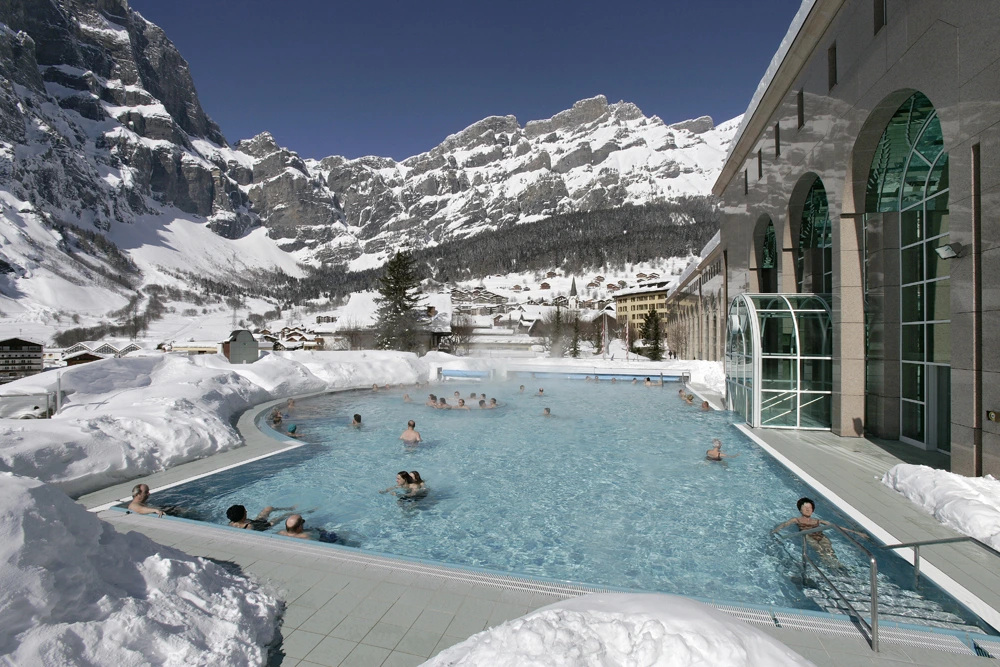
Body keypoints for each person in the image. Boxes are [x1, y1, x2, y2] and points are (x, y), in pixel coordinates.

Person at [772, 498, 867, 564]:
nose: (808, 510)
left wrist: (857, 533)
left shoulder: (817, 521)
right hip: (808, 536)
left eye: (810, 508)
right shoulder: (796, 520)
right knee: (819, 550)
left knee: (829, 550)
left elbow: (836, 527)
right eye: (805, 508)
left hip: (821, 536)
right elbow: (784, 524)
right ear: (800, 510)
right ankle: (829, 566)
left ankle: (838, 566)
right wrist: (775, 531)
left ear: (813, 510)